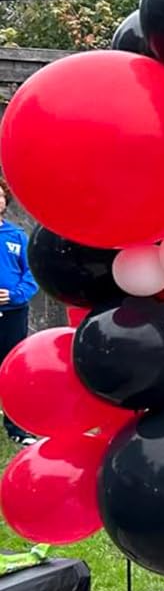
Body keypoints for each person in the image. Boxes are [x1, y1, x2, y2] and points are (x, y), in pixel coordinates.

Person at [0, 186, 38, 445]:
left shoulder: (17, 235)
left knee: (12, 371)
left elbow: (32, 273)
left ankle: (17, 428)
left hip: (12, 315)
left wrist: (15, 295)